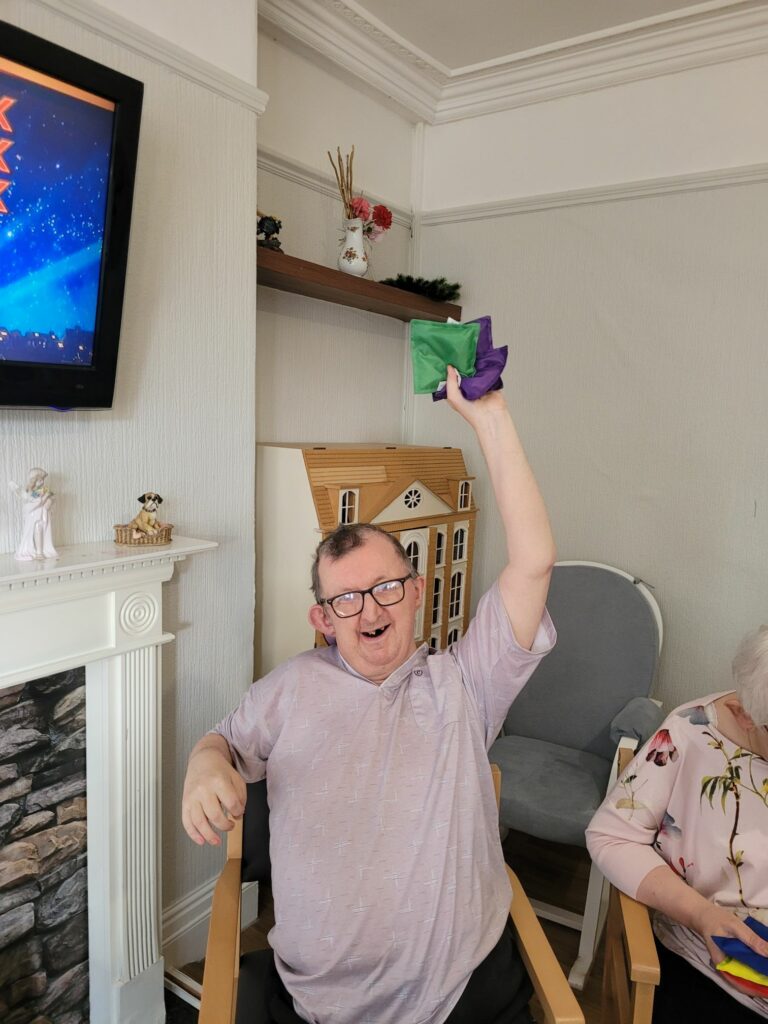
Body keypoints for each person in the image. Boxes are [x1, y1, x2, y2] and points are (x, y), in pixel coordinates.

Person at [182, 368, 557, 1024]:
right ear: (323, 620)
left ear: (415, 592)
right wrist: (203, 763)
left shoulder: (465, 684)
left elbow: (533, 564)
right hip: (323, 1003)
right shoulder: (289, 687)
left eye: (386, 587)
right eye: (347, 599)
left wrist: (492, 419)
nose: (371, 610)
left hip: (461, 993)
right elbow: (223, 745)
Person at [586, 628, 768, 1022]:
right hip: (715, 964)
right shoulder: (691, 734)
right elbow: (612, 837)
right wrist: (702, 916)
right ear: (745, 715)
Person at [9, 467, 58, 561]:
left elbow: (50, 500)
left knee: (41, 531)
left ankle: (41, 551)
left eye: (43, 480)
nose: (42, 482)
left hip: (42, 514)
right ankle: (39, 552)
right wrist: (46, 497)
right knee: (37, 530)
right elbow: (37, 502)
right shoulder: (30, 491)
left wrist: (49, 500)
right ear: (34, 480)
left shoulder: (43, 490)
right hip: (34, 516)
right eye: (40, 480)